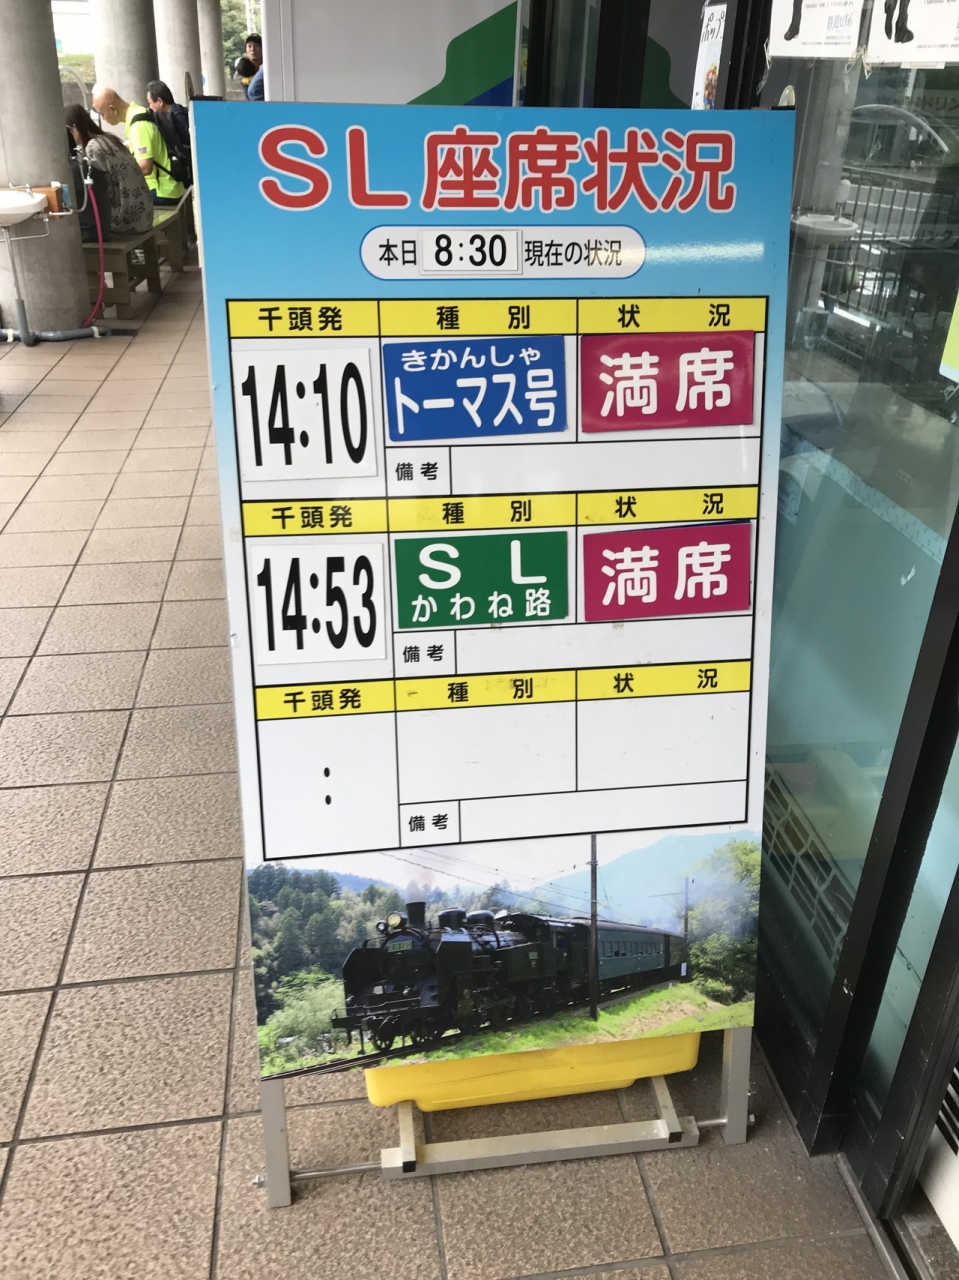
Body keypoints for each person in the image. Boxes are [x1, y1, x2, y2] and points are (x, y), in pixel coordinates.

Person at [65, 103, 152, 236]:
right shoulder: (107, 139)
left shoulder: (92, 148)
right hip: (145, 213)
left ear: (74, 128)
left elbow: (101, 192)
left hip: (126, 220)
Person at [92, 86, 185, 207]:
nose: (103, 119)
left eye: (102, 114)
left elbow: (145, 167)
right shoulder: (139, 112)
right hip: (170, 185)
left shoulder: (138, 126)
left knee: (114, 202)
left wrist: (117, 176)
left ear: (112, 109)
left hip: (162, 191)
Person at [144, 80, 192, 187]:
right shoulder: (178, 114)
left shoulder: (179, 119)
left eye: (150, 102)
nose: (150, 107)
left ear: (160, 101)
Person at [244, 33, 264, 100]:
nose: (252, 49)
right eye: (249, 46)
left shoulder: (267, 68)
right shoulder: (243, 70)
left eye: (257, 46)